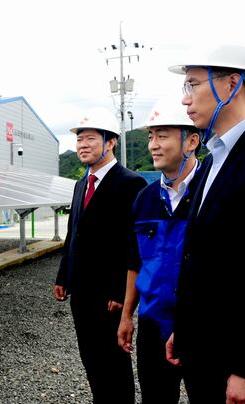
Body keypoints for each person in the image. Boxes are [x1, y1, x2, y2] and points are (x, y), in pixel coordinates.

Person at [165, 44, 245, 403]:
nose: (185, 98)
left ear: (231, 84)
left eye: (192, 84)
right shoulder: (214, 159)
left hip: (235, 364)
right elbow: (203, 256)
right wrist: (184, 328)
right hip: (201, 349)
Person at [53, 107, 147, 404]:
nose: (82, 145)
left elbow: (134, 245)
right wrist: (63, 275)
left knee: (114, 365)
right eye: (79, 139)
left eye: (90, 138)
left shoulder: (130, 183)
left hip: (110, 297)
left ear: (111, 142)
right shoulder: (81, 184)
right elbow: (73, 233)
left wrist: (122, 294)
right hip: (81, 292)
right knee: (91, 360)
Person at [117, 96, 201, 403]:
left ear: (191, 141)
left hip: (202, 326)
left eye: (162, 136)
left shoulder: (212, 190)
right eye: (151, 136)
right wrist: (127, 316)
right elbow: (135, 262)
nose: (153, 145)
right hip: (153, 325)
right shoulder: (145, 198)